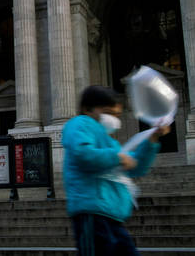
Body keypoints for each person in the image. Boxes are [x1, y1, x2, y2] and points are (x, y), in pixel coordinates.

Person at [62, 85, 170, 256]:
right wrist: (118, 157)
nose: (113, 119)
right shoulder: (79, 123)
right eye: (107, 112)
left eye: (117, 115)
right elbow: (82, 155)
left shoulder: (109, 142)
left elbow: (135, 167)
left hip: (113, 217)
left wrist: (153, 138)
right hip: (91, 212)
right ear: (87, 109)